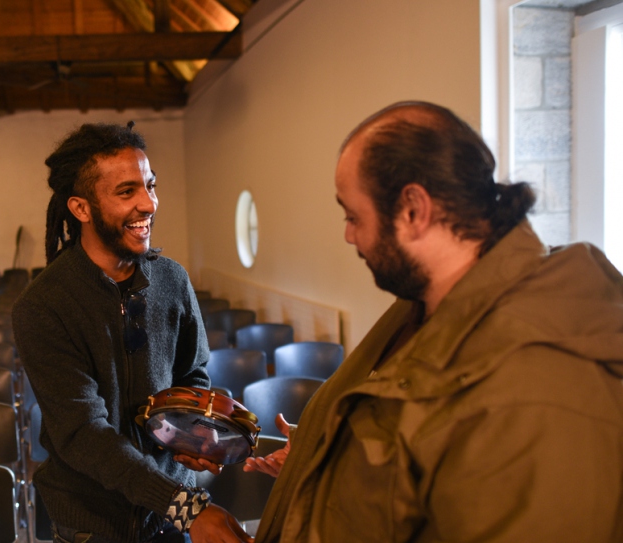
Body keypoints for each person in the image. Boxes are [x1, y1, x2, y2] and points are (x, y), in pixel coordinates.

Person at [246, 101, 623, 542]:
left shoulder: (535, 391)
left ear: (413, 209)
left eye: (353, 216)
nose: (349, 234)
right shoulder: (424, 302)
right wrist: (325, 462)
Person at [12, 122, 252, 543]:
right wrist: (184, 505)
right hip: (94, 521)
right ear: (81, 208)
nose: (149, 203)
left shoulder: (172, 280)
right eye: (127, 192)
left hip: (169, 513)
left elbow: (191, 376)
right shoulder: (43, 305)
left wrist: (189, 436)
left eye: (150, 185)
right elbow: (83, 434)